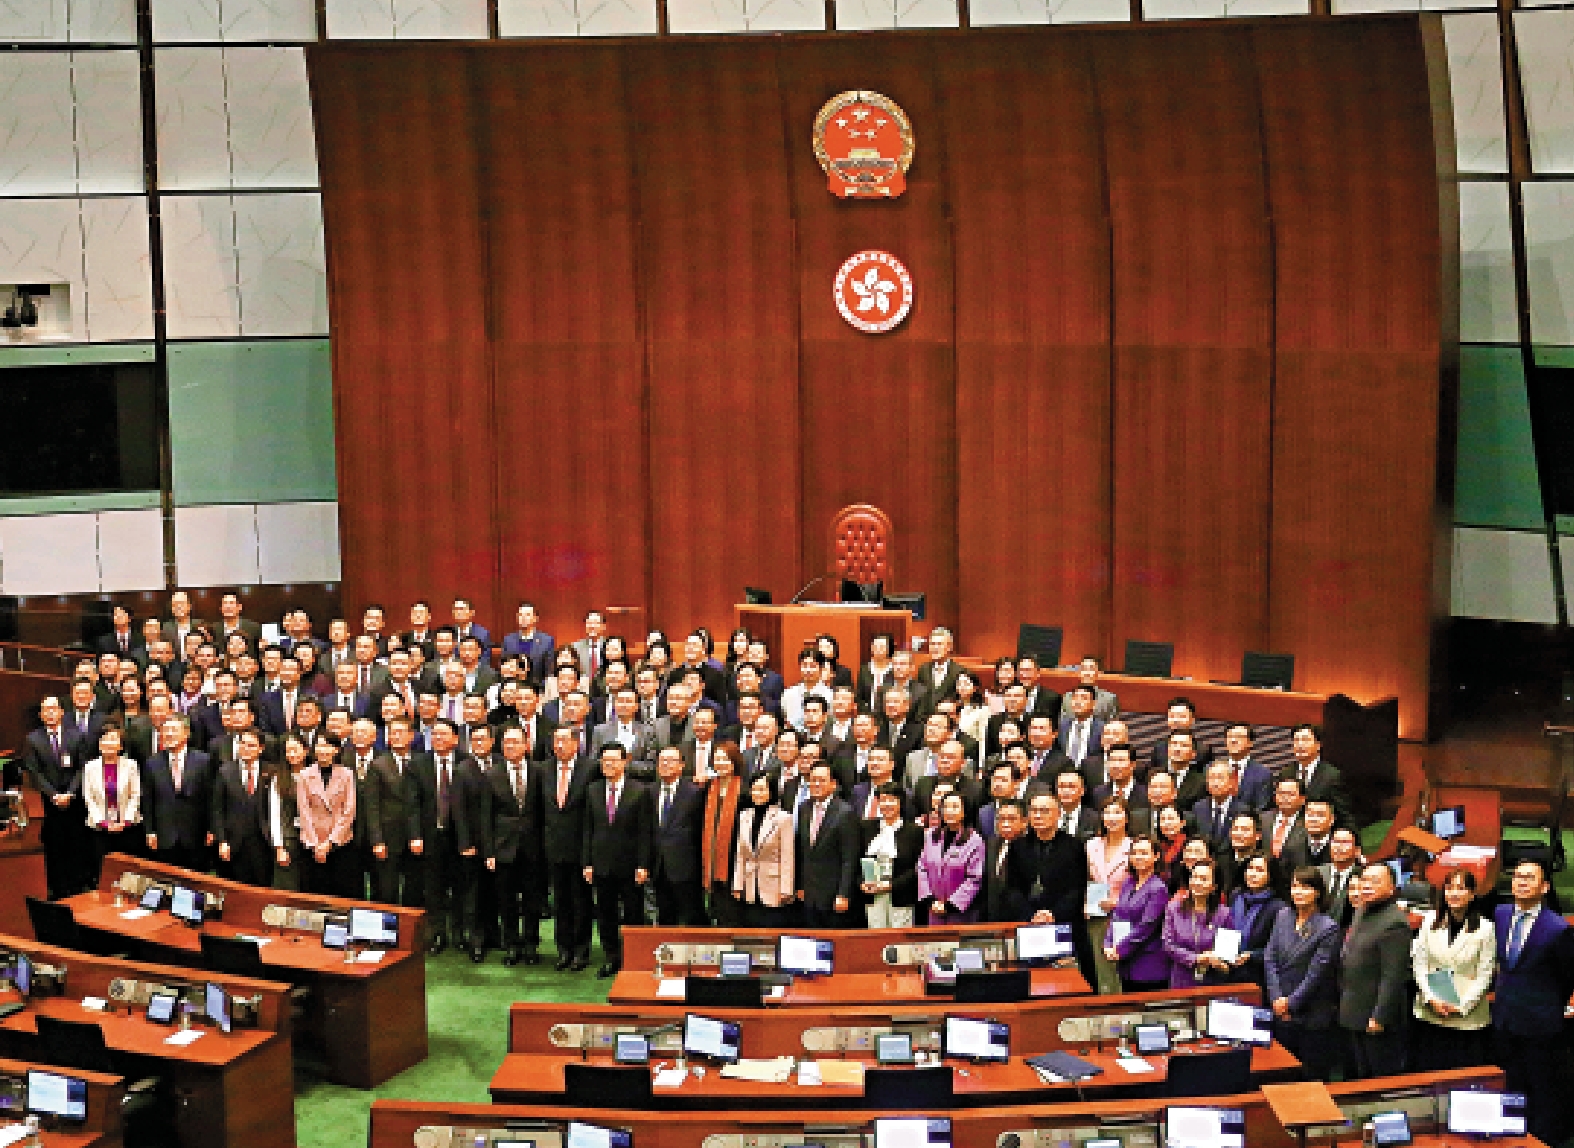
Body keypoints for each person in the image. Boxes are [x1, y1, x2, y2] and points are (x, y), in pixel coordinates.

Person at [1492, 860, 1573, 1143]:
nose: (1521, 882)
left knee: (1540, 1089)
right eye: (1517, 877)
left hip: (1540, 1023)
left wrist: (1548, 1006)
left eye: (1529, 878)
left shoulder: (1557, 928)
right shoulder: (1501, 914)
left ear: (1545, 886)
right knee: (1510, 1083)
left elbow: (1566, 978)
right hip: (1505, 1018)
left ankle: (1539, 1140)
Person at [1411, 868, 1494, 1070]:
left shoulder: (1485, 928)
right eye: (1449, 888)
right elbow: (1420, 964)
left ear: (1472, 894)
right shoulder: (1430, 920)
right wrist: (1431, 998)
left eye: (1461, 888)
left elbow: (1485, 974)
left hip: (1466, 1017)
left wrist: (1461, 1005)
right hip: (1431, 1012)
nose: (1454, 893)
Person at [582, 742, 653, 977]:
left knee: (633, 914)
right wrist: (587, 863)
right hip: (601, 863)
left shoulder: (640, 790)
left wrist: (643, 864)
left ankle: (633, 959)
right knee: (606, 914)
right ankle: (611, 957)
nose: (609, 764)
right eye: (605, 760)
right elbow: (587, 830)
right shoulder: (592, 790)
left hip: (630, 865)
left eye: (614, 759)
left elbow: (645, 831)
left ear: (625, 761)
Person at [1264, 867, 1341, 1080]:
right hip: (1281, 1010)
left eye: (1305, 887)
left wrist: (1290, 1003)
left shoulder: (1328, 928)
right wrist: (1276, 998)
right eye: (1295, 886)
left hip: (1311, 1015)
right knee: (1282, 1075)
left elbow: (1316, 974)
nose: (1298, 892)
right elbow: (1270, 958)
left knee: (1310, 1076)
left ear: (1317, 892)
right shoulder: (1283, 916)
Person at [1338, 862, 1412, 1078]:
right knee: (1357, 1075)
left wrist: (1379, 1017)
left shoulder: (1395, 922)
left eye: (1375, 881)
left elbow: (1393, 976)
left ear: (1391, 888)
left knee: (1378, 1078)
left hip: (1376, 1017)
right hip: (1354, 1009)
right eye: (1364, 880)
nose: (1366, 886)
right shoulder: (1362, 910)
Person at [543, 726, 595, 971]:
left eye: (564, 740)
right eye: (556, 740)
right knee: (560, 902)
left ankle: (581, 951)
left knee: (580, 902)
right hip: (553, 847)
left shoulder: (590, 768)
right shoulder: (544, 769)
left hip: (580, 846)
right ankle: (563, 950)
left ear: (576, 743)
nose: (559, 745)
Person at [795, 762, 859, 927]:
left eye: (822, 780)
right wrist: (801, 886)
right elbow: (803, 852)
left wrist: (843, 894)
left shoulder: (845, 813)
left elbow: (849, 859)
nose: (816, 784)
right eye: (813, 779)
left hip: (834, 895)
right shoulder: (804, 808)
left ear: (833, 783)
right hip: (809, 894)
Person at [649, 746, 706, 926]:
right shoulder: (649, 791)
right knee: (665, 917)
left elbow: (699, 831)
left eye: (671, 760)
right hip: (659, 866)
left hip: (686, 867)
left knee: (692, 916)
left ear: (681, 765)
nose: (665, 764)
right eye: (662, 760)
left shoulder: (694, 793)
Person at [1106, 836, 1170, 992]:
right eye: (1134, 853)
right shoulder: (1128, 882)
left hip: (1148, 965)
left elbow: (1145, 927)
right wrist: (1108, 943)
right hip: (1126, 963)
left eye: (1144, 853)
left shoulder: (1158, 888)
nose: (1138, 857)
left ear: (1156, 856)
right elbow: (1117, 915)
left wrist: (1119, 949)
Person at [297, 734, 358, 898]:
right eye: (319, 745)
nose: (323, 750)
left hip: (340, 842)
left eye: (327, 746)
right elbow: (304, 812)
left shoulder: (346, 774)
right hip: (312, 843)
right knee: (314, 892)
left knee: (340, 892)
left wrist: (329, 842)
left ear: (336, 749)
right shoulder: (304, 774)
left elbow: (349, 810)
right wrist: (317, 845)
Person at [733, 772, 796, 927]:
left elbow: (787, 856)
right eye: (754, 789)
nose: (757, 793)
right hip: (750, 885)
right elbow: (741, 854)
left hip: (774, 887)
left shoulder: (783, 818)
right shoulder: (744, 816)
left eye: (762, 789)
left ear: (771, 791)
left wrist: (786, 889)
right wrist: (737, 884)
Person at [1085, 797, 1133, 994]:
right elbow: (1084, 879)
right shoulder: (1091, 845)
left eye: (1117, 812)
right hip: (1095, 915)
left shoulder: (1133, 847)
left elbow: (1139, 885)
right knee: (1098, 968)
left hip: (1123, 917)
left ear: (1126, 818)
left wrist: (1117, 902)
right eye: (1107, 812)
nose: (1112, 817)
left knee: (1118, 968)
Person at [81, 726, 140, 882]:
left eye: (113, 739)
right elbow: (89, 797)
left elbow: (135, 795)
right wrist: (103, 822)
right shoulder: (90, 767)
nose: (108, 743)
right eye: (104, 739)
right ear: (99, 744)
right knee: (103, 871)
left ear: (121, 746)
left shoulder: (131, 765)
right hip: (100, 828)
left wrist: (125, 821)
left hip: (127, 828)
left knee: (128, 871)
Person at [1162, 857, 1232, 988]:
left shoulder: (1224, 913)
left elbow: (1227, 956)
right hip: (1181, 980)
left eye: (1204, 879)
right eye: (1194, 877)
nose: (1197, 882)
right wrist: (1197, 958)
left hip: (1213, 982)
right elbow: (1168, 945)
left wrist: (1219, 961)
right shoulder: (1174, 908)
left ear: (1214, 886)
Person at [917, 792, 985, 925]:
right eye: (946, 807)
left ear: (964, 812)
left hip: (961, 912)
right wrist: (930, 900)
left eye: (955, 807)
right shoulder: (932, 835)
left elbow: (974, 878)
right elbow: (922, 867)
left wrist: (950, 905)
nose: (950, 811)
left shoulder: (974, 840)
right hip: (934, 909)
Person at [700, 741, 744, 926]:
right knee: (716, 910)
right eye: (717, 759)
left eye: (725, 759)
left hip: (735, 863)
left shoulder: (745, 791)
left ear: (734, 762)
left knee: (732, 914)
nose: (721, 763)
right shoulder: (708, 788)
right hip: (711, 861)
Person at [1226, 854, 1285, 990]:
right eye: (1250, 868)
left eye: (1259, 870)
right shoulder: (1235, 896)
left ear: (1270, 875)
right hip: (1227, 970)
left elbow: (1279, 949)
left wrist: (1251, 956)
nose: (1253, 874)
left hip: (1257, 976)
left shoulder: (1279, 907)